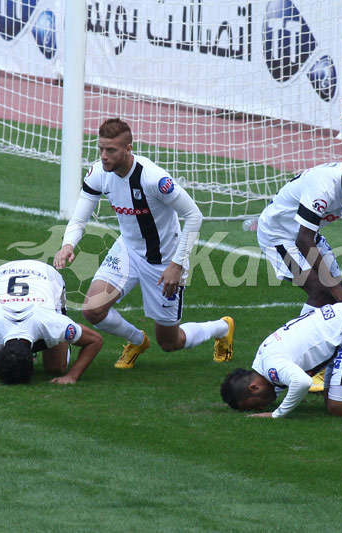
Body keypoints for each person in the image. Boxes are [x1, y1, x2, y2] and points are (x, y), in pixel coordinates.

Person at [53, 118, 233, 368]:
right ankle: (137, 340)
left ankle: (222, 327)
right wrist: (68, 244)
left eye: (111, 150)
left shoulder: (154, 179)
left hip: (164, 260)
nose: (104, 156)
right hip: (127, 249)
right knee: (92, 310)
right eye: (101, 149)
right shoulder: (98, 173)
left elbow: (194, 216)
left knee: (170, 343)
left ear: (128, 148)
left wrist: (177, 264)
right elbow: (79, 217)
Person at [256, 161, 342, 391]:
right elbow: (303, 240)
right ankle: (297, 368)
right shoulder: (323, 187)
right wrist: (332, 285)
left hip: (305, 234)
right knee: (322, 291)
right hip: (278, 235)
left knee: (334, 297)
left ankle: (321, 366)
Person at [0, 259, 103, 384]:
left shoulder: (52, 324)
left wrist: (72, 376)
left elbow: (95, 340)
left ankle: (64, 344)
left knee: (55, 368)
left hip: (48, 276)